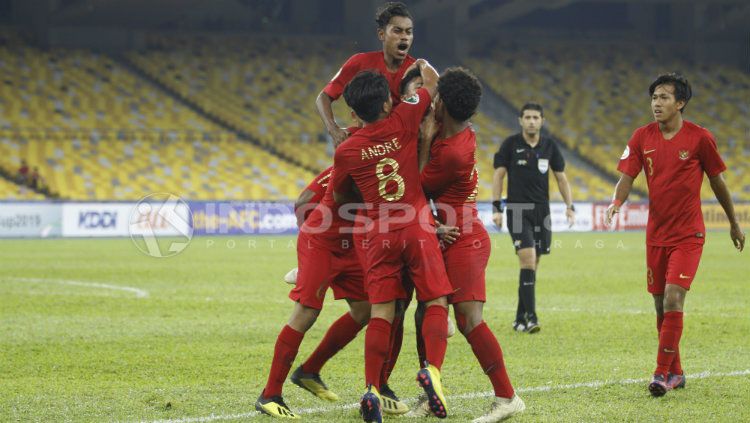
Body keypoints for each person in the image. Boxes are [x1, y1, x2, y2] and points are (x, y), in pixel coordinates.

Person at [605, 72, 745, 397]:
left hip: (689, 234)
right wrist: (616, 202)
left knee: (673, 298)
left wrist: (734, 223)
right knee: (659, 305)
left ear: (680, 103)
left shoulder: (700, 138)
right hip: (656, 235)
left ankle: (659, 373)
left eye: (664, 97)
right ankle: (677, 373)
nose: (657, 103)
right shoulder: (641, 137)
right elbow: (627, 176)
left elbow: (718, 182)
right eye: (654, 97)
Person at [332, 63, 452, 422]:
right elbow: (434, 83)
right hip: (415, 224)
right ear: (387, 102)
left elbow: (339, 196)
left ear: (354, 112)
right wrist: (420, 65)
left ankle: (371, 388)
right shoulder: (403, 117)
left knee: (382, 312)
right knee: (435, 299)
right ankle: (432, 370)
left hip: (378, 233)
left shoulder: (347, 150)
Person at [415, 67, 525, 422]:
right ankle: (430, 393)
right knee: (430, 310)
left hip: (463, 238)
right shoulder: (460, 132)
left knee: (469, 320)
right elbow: (433, 78)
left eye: (436, 97)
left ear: (443, 104)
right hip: (443, 232)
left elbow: (416, 189)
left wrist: (425, 138)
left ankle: (507, 397)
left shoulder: (451, 152)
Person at [255, 162, 371, 419]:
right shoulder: (355, 153)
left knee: (367, 309)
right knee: (307, 312)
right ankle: (270, 395)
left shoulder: (391, 157)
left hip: (350, 246)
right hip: (320, 243)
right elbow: (304, 200)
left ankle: (309, 371)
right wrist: (308, 249)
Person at [492, 103, 575, 333]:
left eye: (535, 117)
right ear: (520, 120)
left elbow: (561, 178)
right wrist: (496, 207)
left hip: (542, 212)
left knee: (532, 266)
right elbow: (498, 176)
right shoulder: (510, 145)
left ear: (542, 121)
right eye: (527, 117)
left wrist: (570, 206)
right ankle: (531, 318)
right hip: (517, 210)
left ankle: (519, 318)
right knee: (527, 260)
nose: (531, 121)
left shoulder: (549, 146)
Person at [316, 1, 416, 146]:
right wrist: (333, 129)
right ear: (381, 34)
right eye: (397, 30)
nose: (404, 37)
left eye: (409, 32)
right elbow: (323, 97)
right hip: (367, 147)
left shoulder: (418, 71)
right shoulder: (360, 62)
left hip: (402, 149)